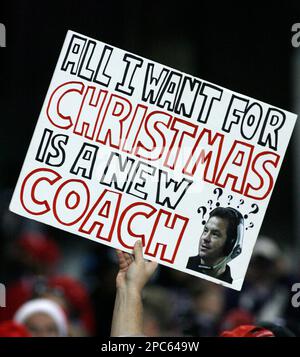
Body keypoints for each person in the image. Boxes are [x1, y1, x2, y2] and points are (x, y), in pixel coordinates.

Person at [186, 207, 244, 283]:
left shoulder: (230, 286)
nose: (205, 238)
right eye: (205, 230)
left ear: (231, 244)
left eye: (215, 234)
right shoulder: (183, 264)